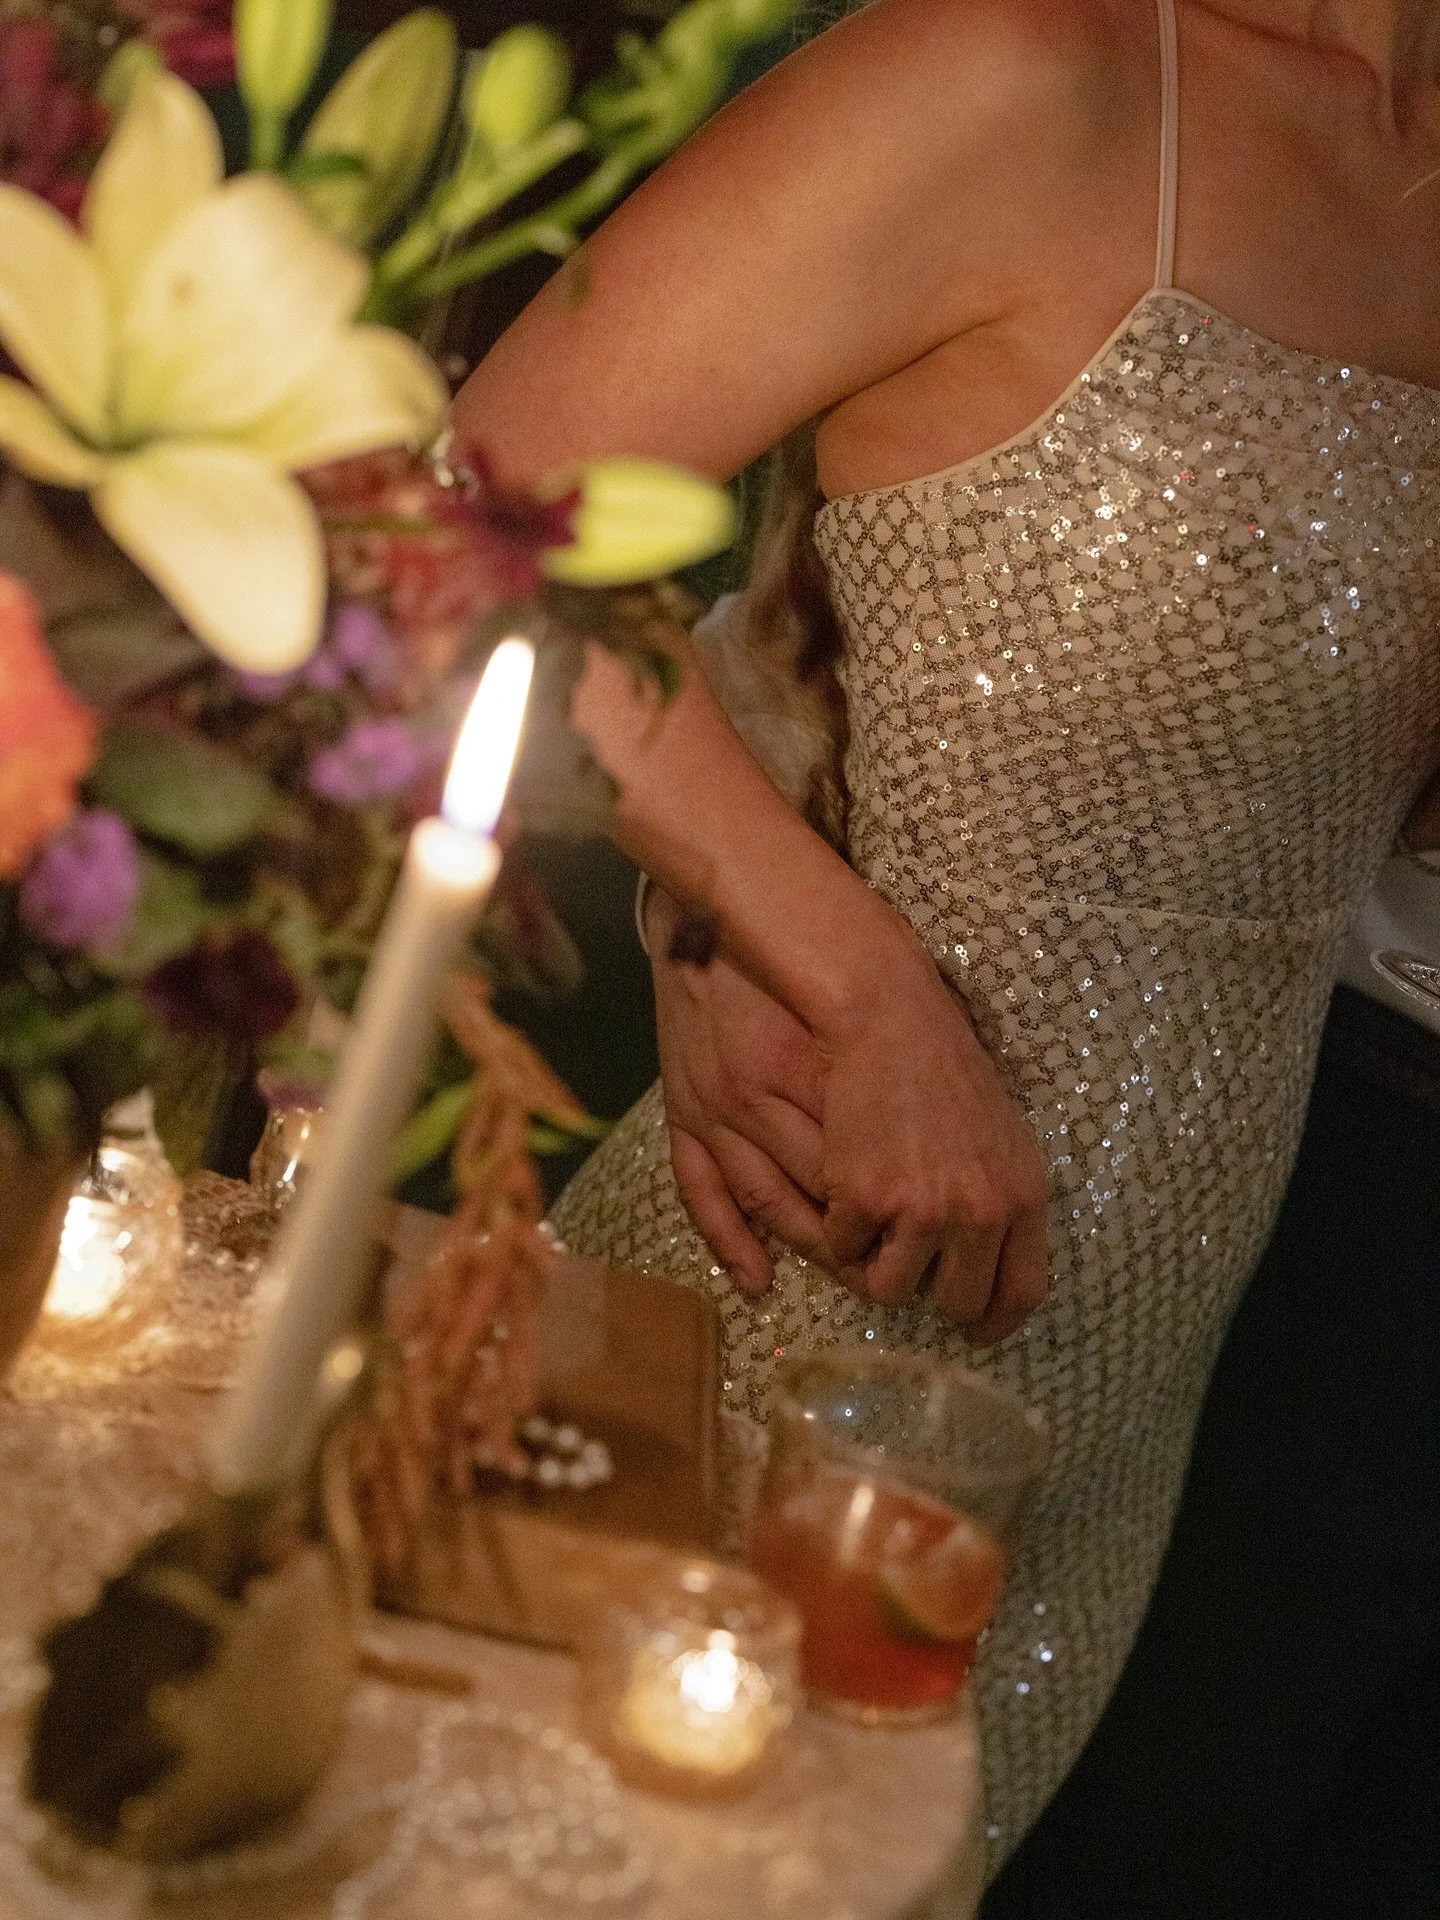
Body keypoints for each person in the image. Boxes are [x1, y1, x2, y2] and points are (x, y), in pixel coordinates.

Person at [453, 0, 1440, 1871]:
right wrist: (831, 965)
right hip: (803, 1260)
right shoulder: (1023, 67)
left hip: (1120, 1403)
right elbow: (476, 510)